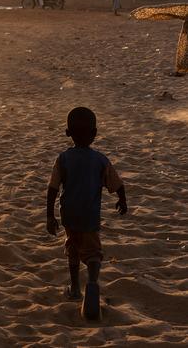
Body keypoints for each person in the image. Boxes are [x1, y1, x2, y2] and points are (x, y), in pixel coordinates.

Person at [46, 107, 127, 320]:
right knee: (93, 253)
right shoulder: (100, 160)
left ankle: (74, 287)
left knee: (72, 249)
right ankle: (92, 281)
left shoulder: (62, 159)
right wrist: (122, 200)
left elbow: (52, 188)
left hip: (69, 216)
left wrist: (49, 216)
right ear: (95, 133)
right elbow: (117, 184)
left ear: (67, 133)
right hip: (90, 216)